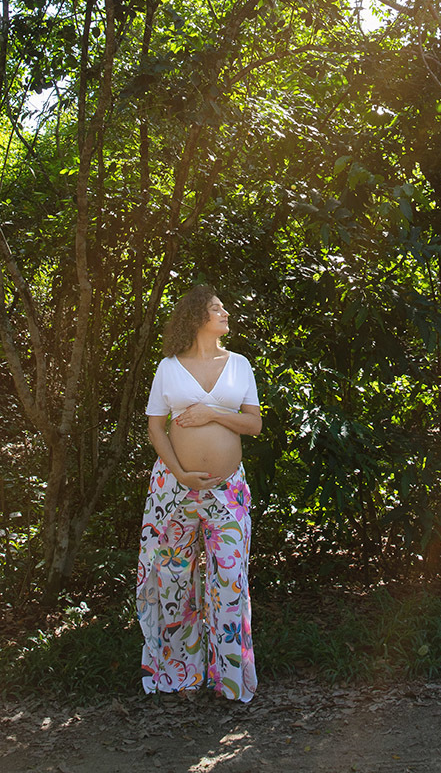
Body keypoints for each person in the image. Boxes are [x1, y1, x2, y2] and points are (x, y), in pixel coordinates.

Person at [136, 285, 261, 701]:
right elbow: (156, 427)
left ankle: (230, 682)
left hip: (228, 492)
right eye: (216, 308)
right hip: (174, 490)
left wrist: (212, 412)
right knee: (173, 583)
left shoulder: (239, 365)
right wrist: (180, 473)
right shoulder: (169, 367)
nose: (225, 313)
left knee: (230, 583)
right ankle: (180, 678)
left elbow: (254, 424)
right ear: (196, 317)